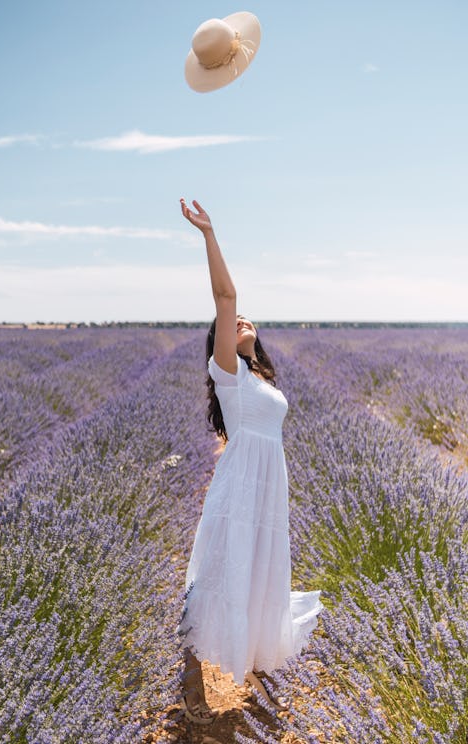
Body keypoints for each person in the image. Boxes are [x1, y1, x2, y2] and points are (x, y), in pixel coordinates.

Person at [177, 198, 323, 725]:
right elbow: (225, 293)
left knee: (258, 568)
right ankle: (190, 671)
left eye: (243, 321)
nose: (238, 319)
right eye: (227, 324)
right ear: (217, 344)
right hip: (242, 484)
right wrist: (209, 234)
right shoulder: (229, 374)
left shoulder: (259, 377)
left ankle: (256, 661)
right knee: (222, 567)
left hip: (268, 486)